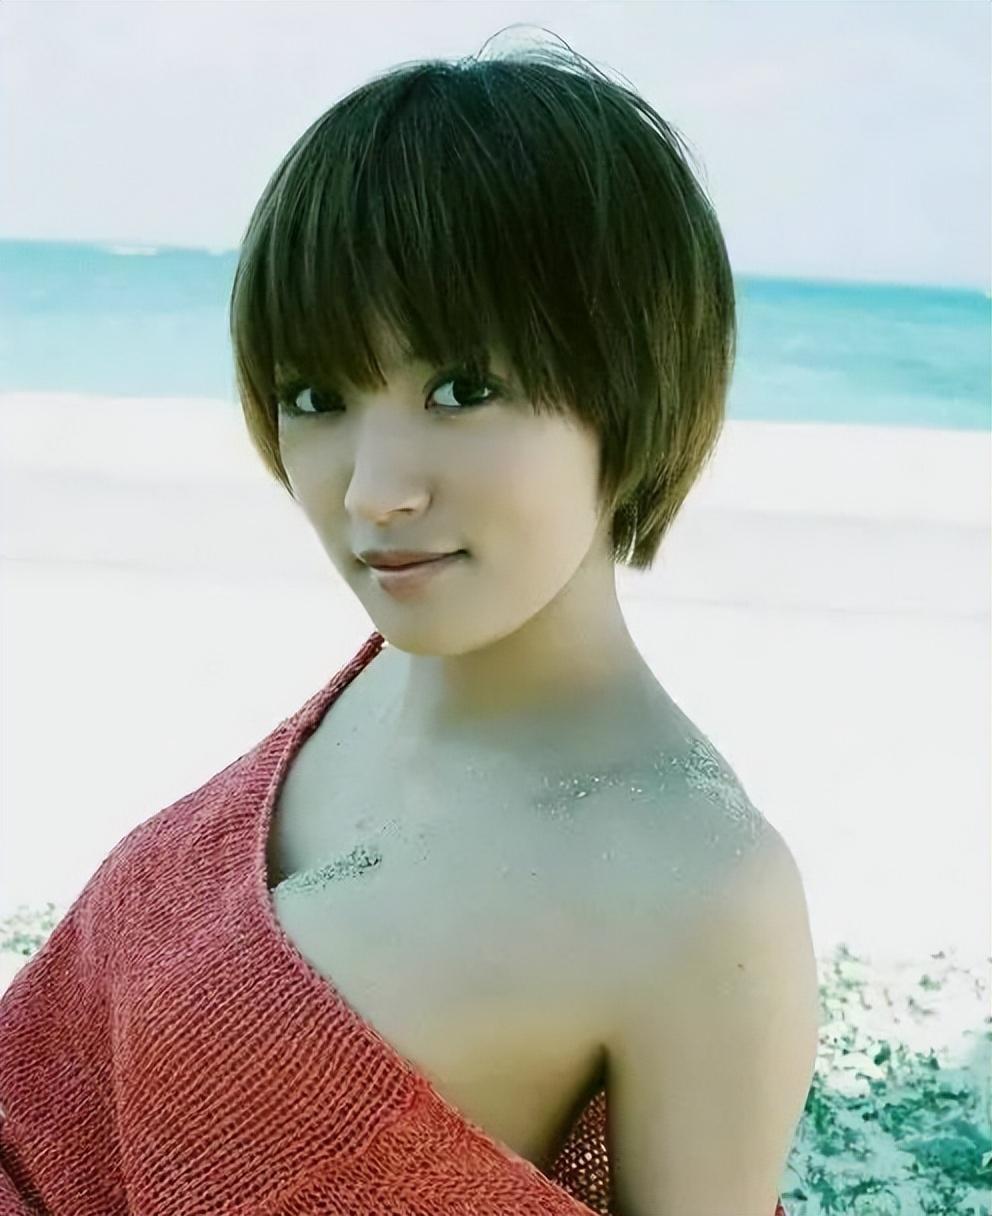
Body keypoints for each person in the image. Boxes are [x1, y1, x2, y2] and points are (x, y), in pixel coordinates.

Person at [0, 27, 818, 1216]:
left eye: (462, 389)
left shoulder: (700, 893)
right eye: (315, 395)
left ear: (633, 383)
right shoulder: (367, 686)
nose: (373, 490)